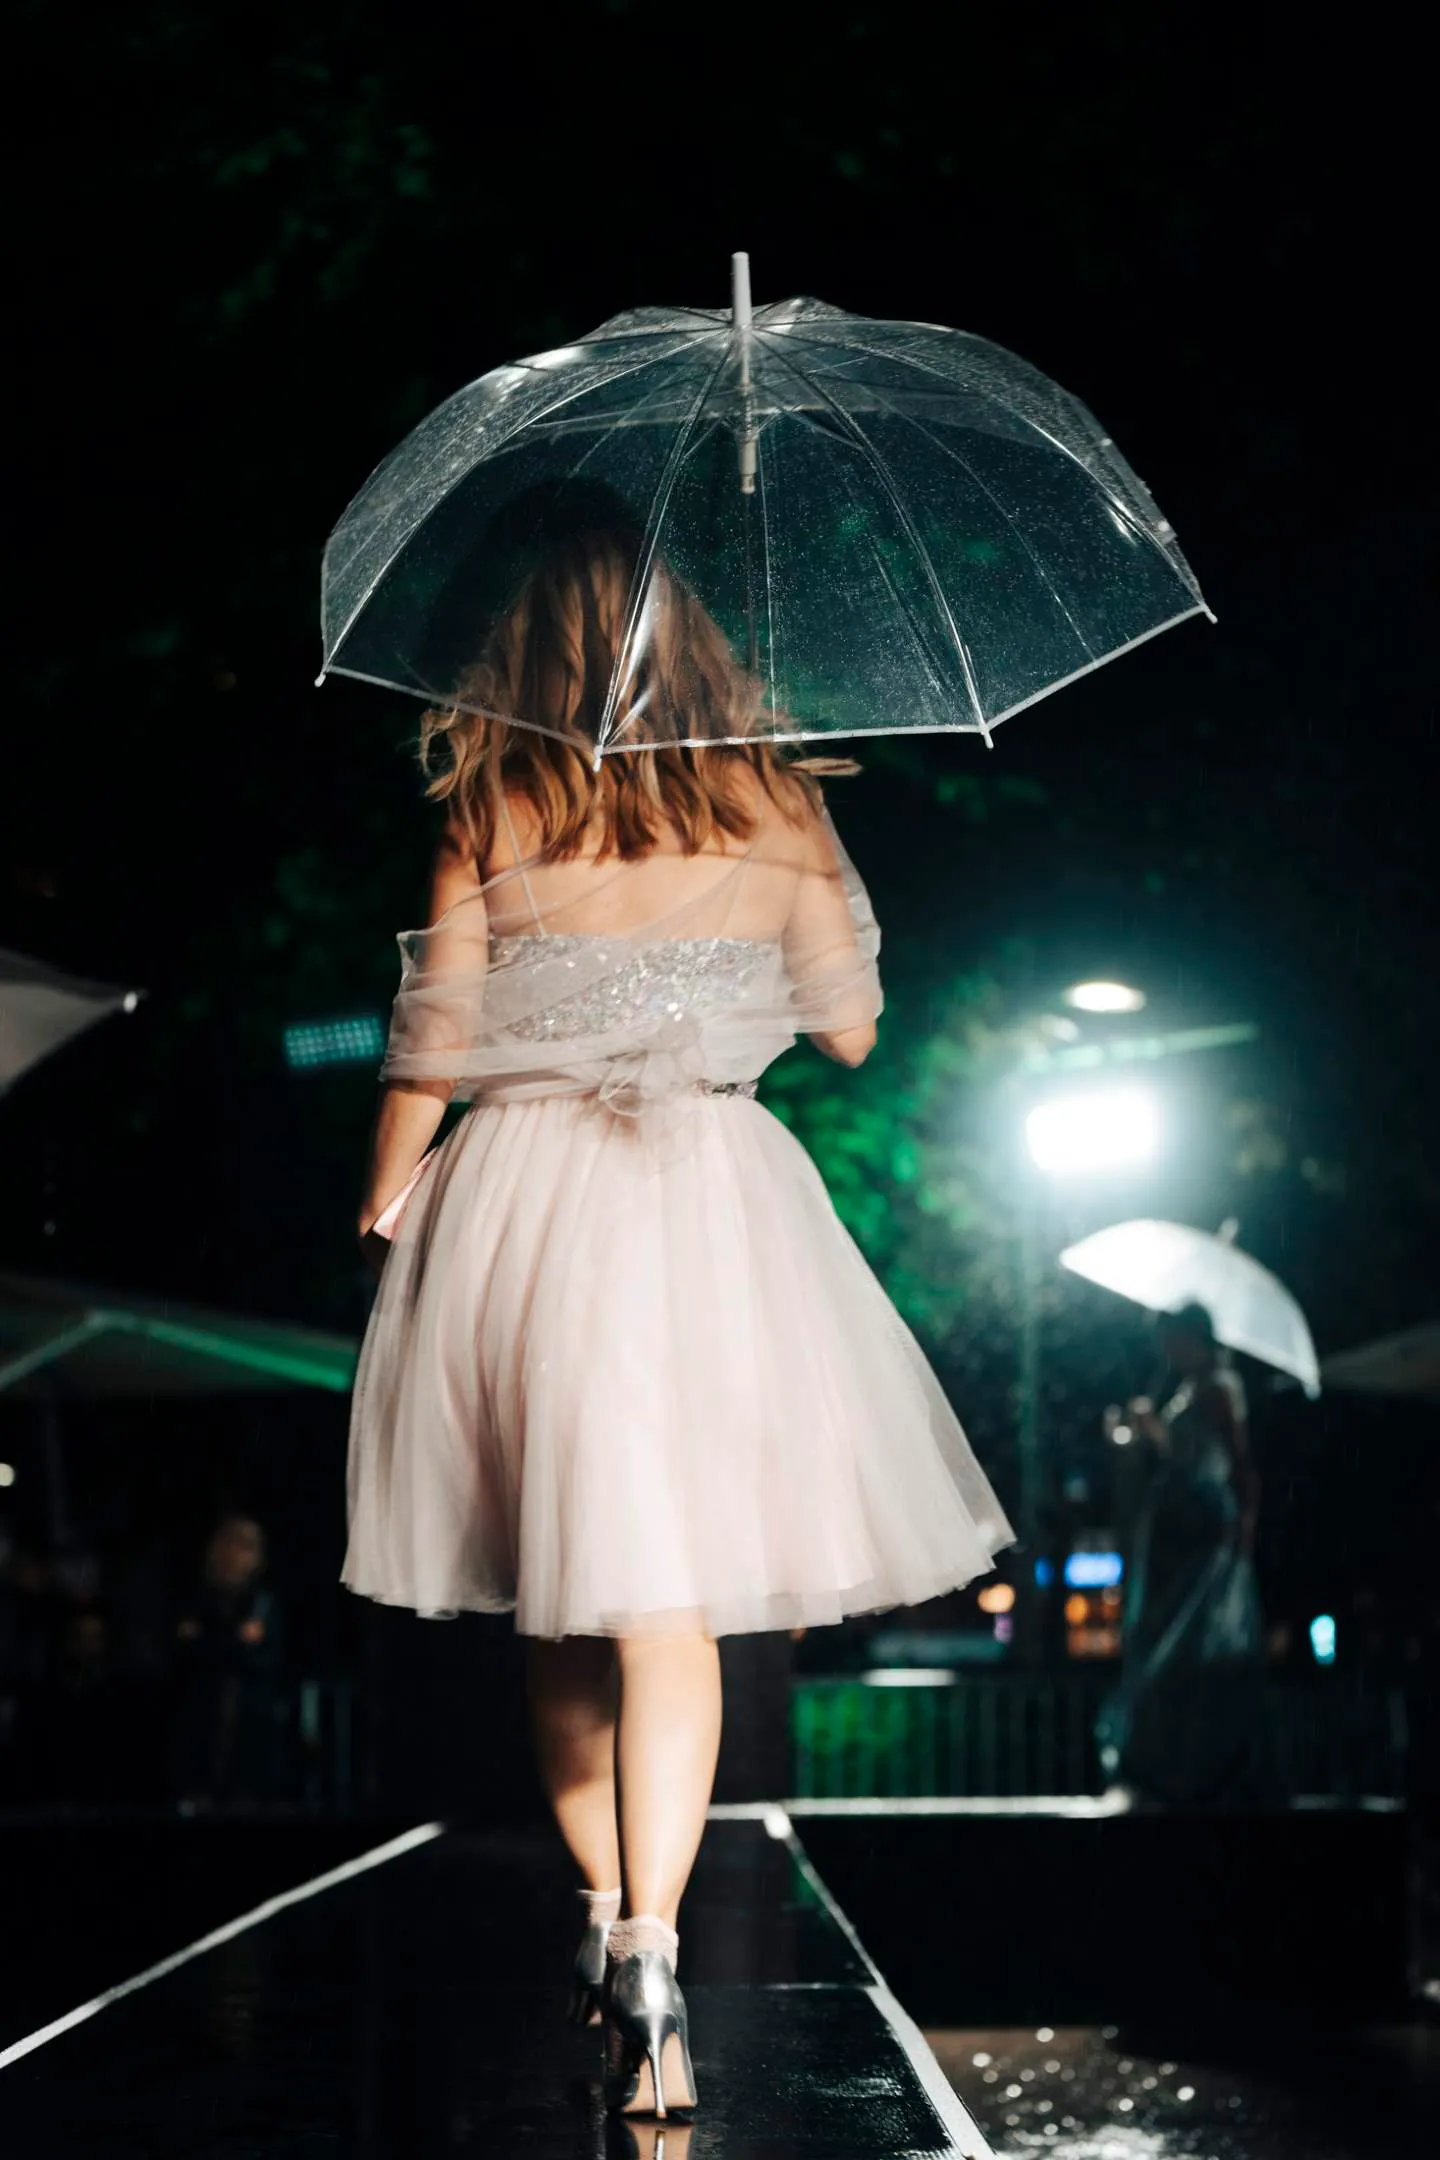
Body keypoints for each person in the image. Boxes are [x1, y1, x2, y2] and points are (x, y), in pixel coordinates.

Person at [344, 526, 1013, 2118]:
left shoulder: (490, 806)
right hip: (711, 1199)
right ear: (698, 650)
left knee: (563, 1598)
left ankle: (601, 1914)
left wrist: (381, 1208)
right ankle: (656, 1944)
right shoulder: (780, 806)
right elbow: (849, 1033)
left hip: (528, 1203)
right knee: (678, 1609)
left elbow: (429, 1051)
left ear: (525, 658)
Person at [1099, 1302, 1266, 1805]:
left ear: (1193, 1338)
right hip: (1175, 1524)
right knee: (1161, 1641)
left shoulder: (1217, 1387)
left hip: (1200, 1526)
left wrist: (1242, 1532)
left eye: (1172, 1339)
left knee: (1186, 1644)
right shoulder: (1190, 1388)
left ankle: (1194, 1768)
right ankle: (1165, 1763)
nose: (1166, 1352)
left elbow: (1233, 1463)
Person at [173, 1513, 284, 1808]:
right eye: (233, 1544)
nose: (239, 1554)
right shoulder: (199, 1598)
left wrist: (227, 1646)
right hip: (201, 1712)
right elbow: (188, 1651)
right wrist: (233, 1643)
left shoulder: (262, 1602)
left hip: (247, 1717)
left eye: (247, 1546)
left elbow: (265, 1658)